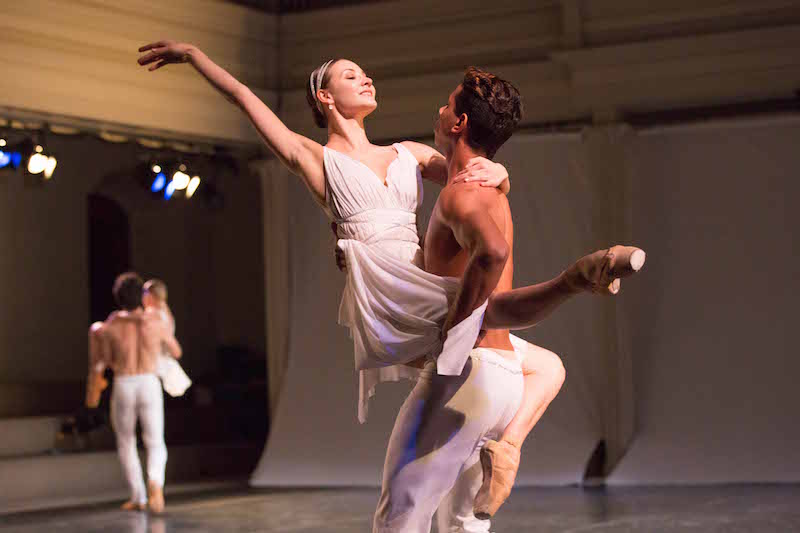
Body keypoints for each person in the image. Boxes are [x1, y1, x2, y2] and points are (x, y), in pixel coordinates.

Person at [136, 44, 644, 525]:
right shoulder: (316, 158)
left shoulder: (409, 153)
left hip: (420, 272)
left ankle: (504, 446)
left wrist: (503, 171)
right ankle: (577, 279)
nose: (366, 77)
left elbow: (471, 175)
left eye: (366, 72)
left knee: (542, 365)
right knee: (484, 322)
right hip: (387, 291)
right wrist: (196, 57)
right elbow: (246, 100)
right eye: (350, 74)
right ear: (325, 97)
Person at [86, 272, 182, 513]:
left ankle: (138, 496)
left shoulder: (112, 325)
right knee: (155, 441)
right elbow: (176, 350)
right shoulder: (154, 322)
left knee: (126, 441)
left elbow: (106, 359)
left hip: (125, 382)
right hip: (148, 381)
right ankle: (155, 483)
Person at [142, 279, 191, 397]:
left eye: (144, 292)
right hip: (162, 363)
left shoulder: (152, 314)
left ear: (150, 295)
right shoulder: (166, 313)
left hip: (154, 365)